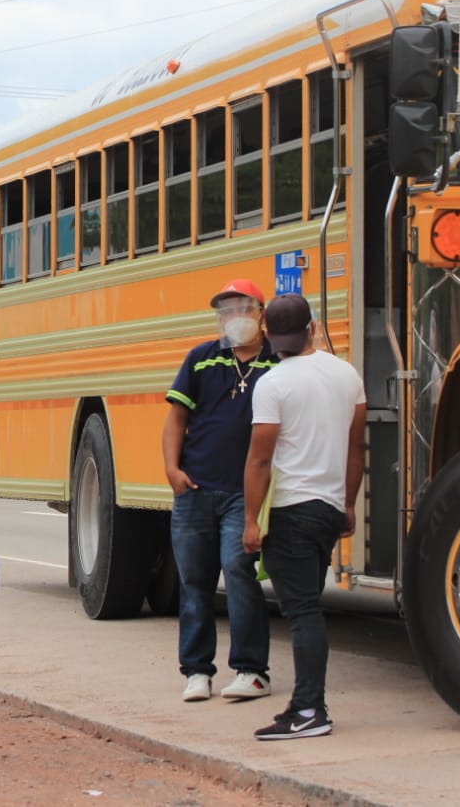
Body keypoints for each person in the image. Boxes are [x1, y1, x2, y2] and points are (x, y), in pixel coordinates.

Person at [243, 293, 366, 740]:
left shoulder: (272, 384)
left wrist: (251, 520)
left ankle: (310, 710)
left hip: (291, 510)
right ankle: (304, 706)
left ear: (267, 335)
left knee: (303, 613)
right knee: (307, 606)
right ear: (312, 328)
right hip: (328, 510)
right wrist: (348, 504)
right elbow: (356, 448)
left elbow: (259, 460)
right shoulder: (347, 374)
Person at [162, 280, 277, 703]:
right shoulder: (202, 358)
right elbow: (176, 418)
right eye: (225, 310)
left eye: (242, 309)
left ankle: (251, 670)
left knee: (239, 571)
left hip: (244, 494)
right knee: (194, 581)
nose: (234, 318)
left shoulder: (276, 362)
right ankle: (196, 671)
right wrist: (172, 470)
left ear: (260, 313)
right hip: (195, 489)